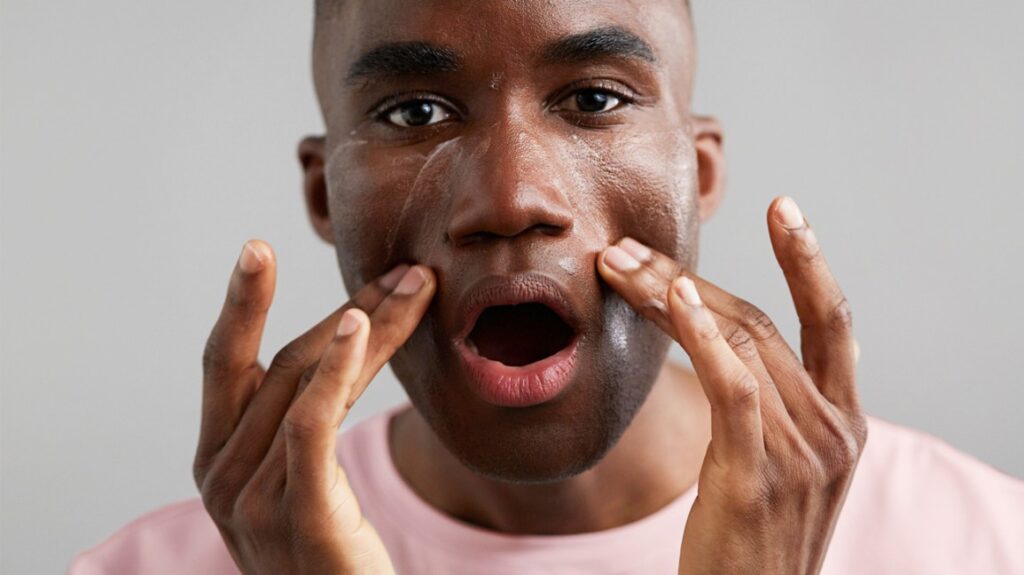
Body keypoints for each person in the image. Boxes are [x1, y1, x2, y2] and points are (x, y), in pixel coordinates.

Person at [69, 1, 1024, 573]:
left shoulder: (980, 545)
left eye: (594, 98)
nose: (513, 197)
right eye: (414, 111)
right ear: (325, 191)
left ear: (697, 172)